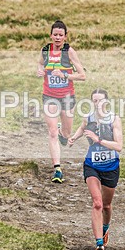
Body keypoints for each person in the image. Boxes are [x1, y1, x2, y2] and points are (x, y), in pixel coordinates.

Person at [68, 88, 123, 250]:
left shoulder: (114, 119)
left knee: (106, 205)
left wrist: (98, 139)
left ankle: (105, 230)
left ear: (106, 102)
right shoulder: (88, 118)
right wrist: (73, 138)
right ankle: (99, 243)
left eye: (100, 100)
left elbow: (119, 146)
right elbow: (82, 127)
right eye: (94, 101)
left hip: (111, 166)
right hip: (92, 165)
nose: (97, 104)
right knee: (97, 203)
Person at [36, 20, 86, 183]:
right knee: (51, 133)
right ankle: (57, 169)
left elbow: (82, 75)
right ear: (51, 35)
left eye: (60, 35)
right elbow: (40, 64)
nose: (57, 37)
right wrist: (39, 70)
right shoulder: (45, 50)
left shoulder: (69, 52)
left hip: (66, 97)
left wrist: (65, 75)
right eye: (55, 34)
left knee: (65, 134)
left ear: (65, 36)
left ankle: (62, 133)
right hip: (49, 96)